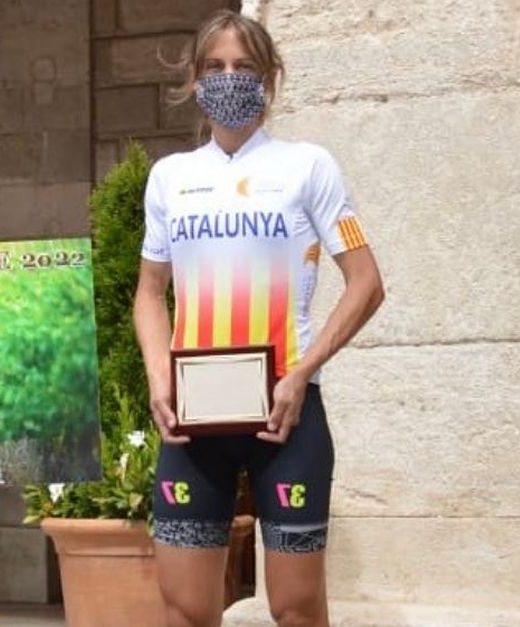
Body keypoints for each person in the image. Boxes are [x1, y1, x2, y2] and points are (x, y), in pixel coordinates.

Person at [133, 10, 385, 627]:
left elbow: (366, 283)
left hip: (286, 413)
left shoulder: (308, 166)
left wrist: (302, 373)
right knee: (186, 609)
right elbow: (149, 292)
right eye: (215, 66)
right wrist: (159, 378)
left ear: (269, 78)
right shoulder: (170, 177)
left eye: (244, 66)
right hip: (192, 419)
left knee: (296, 608)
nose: (230, 78)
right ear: (195, 80)